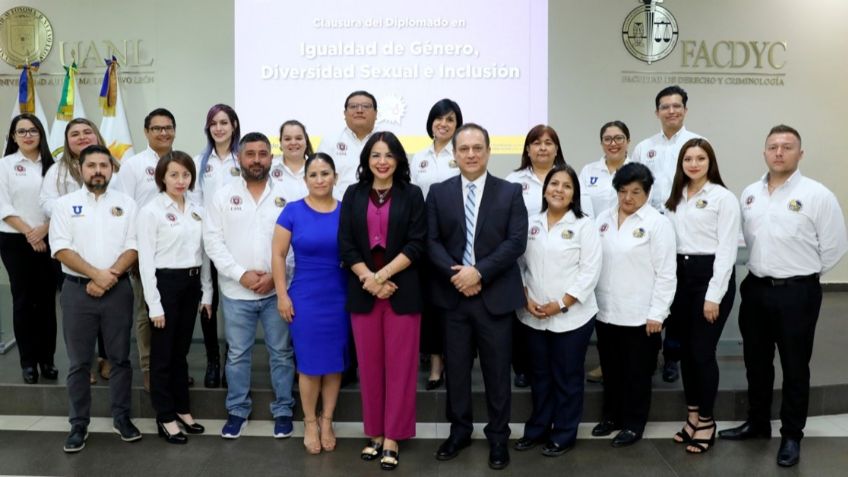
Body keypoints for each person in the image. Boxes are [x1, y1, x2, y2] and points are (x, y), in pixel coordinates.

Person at [718, 125, 848, 467]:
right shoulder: (750, 193)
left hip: (797, 293)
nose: (779, 152)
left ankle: (792, 435)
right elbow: (747, 238)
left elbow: (835, 246)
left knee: (794, 366)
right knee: (756, 363)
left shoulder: (817, 194)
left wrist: (802, 273)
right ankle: (758, 422)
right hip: (757, 290)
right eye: (773, 146)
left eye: (787, 147)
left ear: (799, 154)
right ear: (764, 153)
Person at [428, 123, 528, 470]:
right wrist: (460, 276)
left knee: (497, 372)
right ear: (454, 154)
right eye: (464, 149)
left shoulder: (510, 192)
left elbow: (516, 242)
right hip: (453, 297)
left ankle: (498, 437)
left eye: (477, 148)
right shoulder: (438, 193)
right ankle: (459, 431)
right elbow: (431, 242)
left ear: (488, 151)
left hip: (494, 297)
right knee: (456, 370)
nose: (471, 154)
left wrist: (479, 271)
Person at [339, 132, 427, 470]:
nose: (382, 161)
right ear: (366, 159)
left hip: (402, 291)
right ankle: (374, 433)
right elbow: (346, 244)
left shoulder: (412, 194)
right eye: (375, 154)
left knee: (401, 369)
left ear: (399, 160)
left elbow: (417, 243)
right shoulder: (353, 193)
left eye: (389, 155)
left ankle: (393, 437)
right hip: (365, 293)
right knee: (370, 368)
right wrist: (369, 279)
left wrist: (383, 276)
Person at [203, 132, 297, 440]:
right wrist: (240, 274)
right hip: (235, 291)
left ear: (272, 158)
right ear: (240, 158)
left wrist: (275, 276)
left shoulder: (289, 194)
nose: (257, 159)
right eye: (250, 154)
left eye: (263, 154)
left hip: (276, 291)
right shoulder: (221, 195)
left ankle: (283, 410)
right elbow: (213, 242)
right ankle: (237, 411)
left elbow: (296, 241)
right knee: (238, 354)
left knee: (281, 353)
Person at [49, 144, 142, 452]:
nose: (98, 170)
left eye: (104, 165)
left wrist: (109, 276)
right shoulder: (64, 205)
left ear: (112, 169)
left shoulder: (127, 203)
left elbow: (134, 246)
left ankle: (122, 418)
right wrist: (95, 275)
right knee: (78, 363)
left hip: (117, 290)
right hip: (77, 291)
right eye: (92, 165)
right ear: (81, 169)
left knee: (120, 359)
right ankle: (78, 425)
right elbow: (61, 248)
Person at [513, 165, 601, 457]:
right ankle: (537, 429)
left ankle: (564, 432)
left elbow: (590, 271)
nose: (558, 190)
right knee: (540, 376)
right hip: (534, 314)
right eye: (554, 184)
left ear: (574, 193)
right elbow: (520, 265)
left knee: (566, 377)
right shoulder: (532, 222)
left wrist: (562, 303)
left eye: (566, 185)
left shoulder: (584, 225)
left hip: (572, 317)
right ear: (545, 188)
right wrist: (525, 297)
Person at [592, 162, 676, 447]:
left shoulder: (657, 223)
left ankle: (633, 423)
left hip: (641, 315)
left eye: (636, 192)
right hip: (605, 311)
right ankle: (611, 416)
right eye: (623, 191)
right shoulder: (603, 218)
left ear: (648, 192)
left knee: (637, 374)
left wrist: (658, 313)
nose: (628, 198)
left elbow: (667, 273)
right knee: (611, 369)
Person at [664, 138, 740, 454]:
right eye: (688, 159)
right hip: (680, 278)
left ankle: (708, 421)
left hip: (710, 278)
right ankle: (692, 415)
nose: (694, 164)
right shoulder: (675, 198)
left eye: (700, 158)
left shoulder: (723, 198)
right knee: (684, 352)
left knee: (702, 352)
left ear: (711, 162)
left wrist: (713, 296)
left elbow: (726, 250)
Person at [272, 152, 348, 455]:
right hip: (304, 297)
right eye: (314, 174)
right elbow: (278, 255)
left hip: (339, 297)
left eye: (325, 173)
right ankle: (310, 422)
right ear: (305, 179)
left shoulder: (346, 211)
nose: (320, 179)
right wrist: (282, 294)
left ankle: (327, 420)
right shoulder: (292, 211)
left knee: (333, 365)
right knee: (309, 366)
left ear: (335, 177)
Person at [505, 124, 592, 389]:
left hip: (565, 273)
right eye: (537, 142)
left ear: (557, 148)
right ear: (528, 149)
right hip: (527, 263)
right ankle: (522, 370)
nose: (543, 147)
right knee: (532, 352)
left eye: (548, 142)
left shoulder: (569, 179)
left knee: (564, 370)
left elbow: (584, 227)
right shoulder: (513, 180)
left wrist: (565, 300)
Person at [137, 151, 213, 444]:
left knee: (181, 352)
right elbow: (145, 260)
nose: (181, 181)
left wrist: (207, 292)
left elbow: (204, 255)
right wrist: (153, 304)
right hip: (164, 285)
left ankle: (182, 408)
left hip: (191, 284)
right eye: (174, 175)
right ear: (162, 177)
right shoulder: (151, 210)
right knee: (163, 355)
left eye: (186, 175)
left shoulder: (197, 209)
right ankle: (165, 415)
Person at [631, 85, 702, 383]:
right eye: (665, 106)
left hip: (683, 234)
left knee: (678, 300)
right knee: (651, 293)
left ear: (685, 110)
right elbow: (635, 189)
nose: (671, 111)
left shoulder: (698, 144)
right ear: (656, 112)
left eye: (677, 106)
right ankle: (648, 354)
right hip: (649, 233)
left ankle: (673, 356)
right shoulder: (644, 147)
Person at [40, 118, 113, 385]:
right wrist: (70, 210)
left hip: (109, 256)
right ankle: (84, 363)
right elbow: (45, 202)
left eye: (87, 132)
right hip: (72, 255)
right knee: (78, 317)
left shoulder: (113, 165)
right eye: (75, 134)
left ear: (96, 135)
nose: (81, 137)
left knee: (109, 312)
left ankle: (106, 358)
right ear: (67, 140)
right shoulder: (57, 170)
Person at [113, 108, 178, 392]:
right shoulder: (133, 165)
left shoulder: (181, 162)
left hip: (177, 251)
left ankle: (172, 368)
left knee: (173, 314)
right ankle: (150, 370)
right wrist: (131, 251)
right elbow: (125, 210)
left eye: (168, 127)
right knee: (146, 311)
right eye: (156, 128)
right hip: (144, 251)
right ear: (146, 132)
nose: (163, 133)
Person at [410, 98, 463, 390]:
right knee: (429, 301)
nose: (443, 124)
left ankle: (455, 359)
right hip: (423, 238)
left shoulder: (463, 155)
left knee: (452, 302)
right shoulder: (418, 157)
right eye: (438, 119)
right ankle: (434, 362)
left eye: (450, 120)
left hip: (456, 238)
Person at [0, 114, 57, 384]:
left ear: (40, 134)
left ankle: (47, 359)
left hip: (50, 237)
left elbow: (62, 203)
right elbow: (3, 206)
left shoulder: (53, 165)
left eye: (32, 130)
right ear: (13, 137)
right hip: (14, 240)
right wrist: (30, 233)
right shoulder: (5, 165)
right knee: (23, 300)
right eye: (21, 131)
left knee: (46, 301)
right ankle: (28, 362)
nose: (27, 135)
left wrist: (43, 230)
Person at [579, 120, 633, 385]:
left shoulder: (639, 171)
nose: (613, 143)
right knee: (603, 306)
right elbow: (584, 212)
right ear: (601, 143)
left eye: (619, 138)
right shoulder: (589, 171)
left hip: (633, 249)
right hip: (599, 248)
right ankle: (606, 362)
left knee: (631, 305)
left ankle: (641, 359)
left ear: (628, 141)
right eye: (608, 138)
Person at [192, 104, 241, 389]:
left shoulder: (243, 159)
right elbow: (195, 199)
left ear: (234, 125)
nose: (219, 128)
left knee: (235, 302)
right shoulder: (200, 162)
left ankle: (232, 356)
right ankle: (212, 360)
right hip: (207, 242)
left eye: (224, 122)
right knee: (208, 300)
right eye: (214, 123)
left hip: (236, 241)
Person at [318, 90, 378, 199]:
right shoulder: (330, 141)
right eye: (353, 106)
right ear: (345, 114)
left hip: (379, 209)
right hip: (339, 206)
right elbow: (319, 177)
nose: (359, 110)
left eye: (366, 106)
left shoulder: (386, 141)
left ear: (376, 113)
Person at [269, 119, 312, 199]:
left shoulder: (318, 167)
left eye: (298, 138)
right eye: (287, 139)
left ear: (306, 141)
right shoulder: (269, 169)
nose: (293, 142)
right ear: (280, 143)